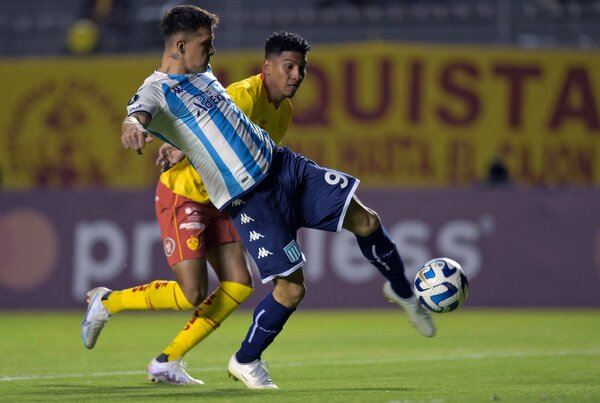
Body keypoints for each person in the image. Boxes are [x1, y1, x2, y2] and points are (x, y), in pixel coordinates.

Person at [119, 5, 435, 390]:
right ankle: (245, 360)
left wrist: (180, 146)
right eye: (207, 44)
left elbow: (210, 124)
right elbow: (140, 112)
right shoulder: (156, 90)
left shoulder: (202, 74)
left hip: (285, 168)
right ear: (181, 46)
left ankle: (403, 292)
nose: (213, 51)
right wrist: (134, 125)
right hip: (249, 199)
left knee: (366, 220)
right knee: (291, 289)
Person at [81, 31, 312, 385]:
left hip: (223, 199)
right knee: (192, 293)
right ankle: (108, 302)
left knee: (239, 284)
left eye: (301, 69)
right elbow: (204, 122)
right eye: (289, 67)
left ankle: (166, 361)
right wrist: (177, 148)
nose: (296, 76)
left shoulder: (285, 112)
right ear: (268, 67)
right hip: (185, 193)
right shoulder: (243, 95)